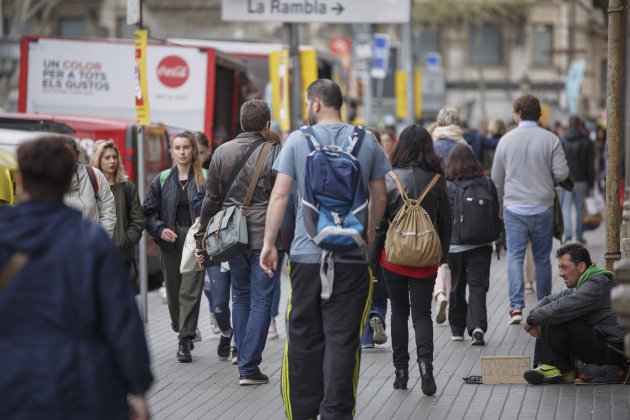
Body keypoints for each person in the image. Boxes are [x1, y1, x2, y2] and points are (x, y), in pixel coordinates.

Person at [259, 79, 391, 419]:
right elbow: (380, 196)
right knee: (344, 340)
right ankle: (336, 413)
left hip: (306, 256)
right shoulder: (368, 141)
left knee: (303, 338)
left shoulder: (297, 142)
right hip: (351, 257)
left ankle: (302, 413)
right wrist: (369, 231)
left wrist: (269, 244)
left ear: (315, 104)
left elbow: (279, 195)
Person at [0, 136, 152, 419]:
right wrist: (138, 388)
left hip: (11, 381)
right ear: (66, 181)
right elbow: (121, 320)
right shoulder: (91, 241)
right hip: (82, 384)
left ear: (20, 182)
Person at [197, 99, 283, 385]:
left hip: (231, 236)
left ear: (242, 124)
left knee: (240, 296)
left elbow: (212, 200)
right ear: (266, 125)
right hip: (264, 236)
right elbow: (282, 197)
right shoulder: (275, 152)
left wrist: (202, 235)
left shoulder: (221, 153)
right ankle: (248, 366)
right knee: (261, 299)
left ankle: (241, 356)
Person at [377, 124, 451, 396]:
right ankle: (426, 367)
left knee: (398, 313)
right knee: (422, 315)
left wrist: (372, 261)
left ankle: (400, 372)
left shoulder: (389, 178)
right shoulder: (437, 179)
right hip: (425, 261)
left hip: (393, 259)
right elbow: (446, 225)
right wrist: (442, 258)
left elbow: (379, 226)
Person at [491, 94, 569, 324]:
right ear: (539, 114)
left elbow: (497, 179)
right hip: (543, 205)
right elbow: (563, 173)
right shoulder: (550, 139)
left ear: (517, 114)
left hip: (514, 207)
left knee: (514, 257)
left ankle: (516, 308)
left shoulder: (506, 140)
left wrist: (499, 205)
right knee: (542, 258)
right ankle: (543, 306)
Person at [522, 244, 627, 384]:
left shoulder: (596, 285)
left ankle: (563, 370)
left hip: (613, 350)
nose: (560, 273)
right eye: (559, 268)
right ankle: (547, 366)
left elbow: (559, 309)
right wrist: (532, 316)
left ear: (581, 267)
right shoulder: (584, 282)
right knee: (549, 311)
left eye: (564, 267)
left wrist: (531, 320)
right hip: (601, 342)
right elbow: (548, 300)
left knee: (556, 314)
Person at [144, 131, 206, 363]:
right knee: (173, 290)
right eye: (177, 148)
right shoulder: (161, 180)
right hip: (170, 239)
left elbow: (215, 208)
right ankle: (181, 327)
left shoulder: (205, 178)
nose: (182, 152)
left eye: (186, 147)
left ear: (193, 151)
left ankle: (184, 338)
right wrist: (160, 229)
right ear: (171, 151)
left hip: (194, 238)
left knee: (189, 289)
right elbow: (148, 212)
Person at [445, 145, 499, 345]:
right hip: (482, 243)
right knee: (478, 286)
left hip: (455, 245)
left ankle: (457, 328)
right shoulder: (487, 183)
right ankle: (477, 325)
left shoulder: (447, 185)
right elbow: (496, 212)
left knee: (457, 286)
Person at [91, 141, 146, 279]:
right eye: (107, 158)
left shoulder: (127, 187)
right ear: (98, 160)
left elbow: (138, 220)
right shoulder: (90, 187)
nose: (112, 161)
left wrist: (124, 241)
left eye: (115, 157)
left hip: (121, 257)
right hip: (94, 255)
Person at [361, 127, 390, 349]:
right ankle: (378, 314)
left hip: (359, 233)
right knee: (381, 285)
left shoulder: (353, 164)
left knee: (362, 284)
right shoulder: (387, 170)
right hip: (383, 236)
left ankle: (365, 338)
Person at [62, 136, 116, 237]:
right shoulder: (48, 180)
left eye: (70, 154)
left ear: (77, 154)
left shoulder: (94, 175)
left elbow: (108, 210)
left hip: (90, 247)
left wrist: (101, 239)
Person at [560, 116, 595, 244]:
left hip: (566, 179)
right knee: (580, 207)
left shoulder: (562, 139)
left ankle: (567, 233)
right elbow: (590, 164)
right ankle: (579, 235)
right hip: (582, 179)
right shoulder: (586, 140)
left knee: (566, 207)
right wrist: (591, 183)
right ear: (579, 124)